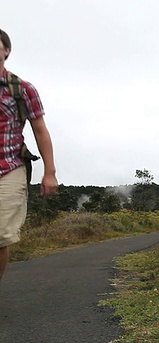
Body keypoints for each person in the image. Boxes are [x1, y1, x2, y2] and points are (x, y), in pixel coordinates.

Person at [0, 28, 58, 283]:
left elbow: (40, 130)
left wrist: (50, 172)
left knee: (1, 234)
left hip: (8, 167)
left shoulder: (21, 89)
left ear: (6, 51)